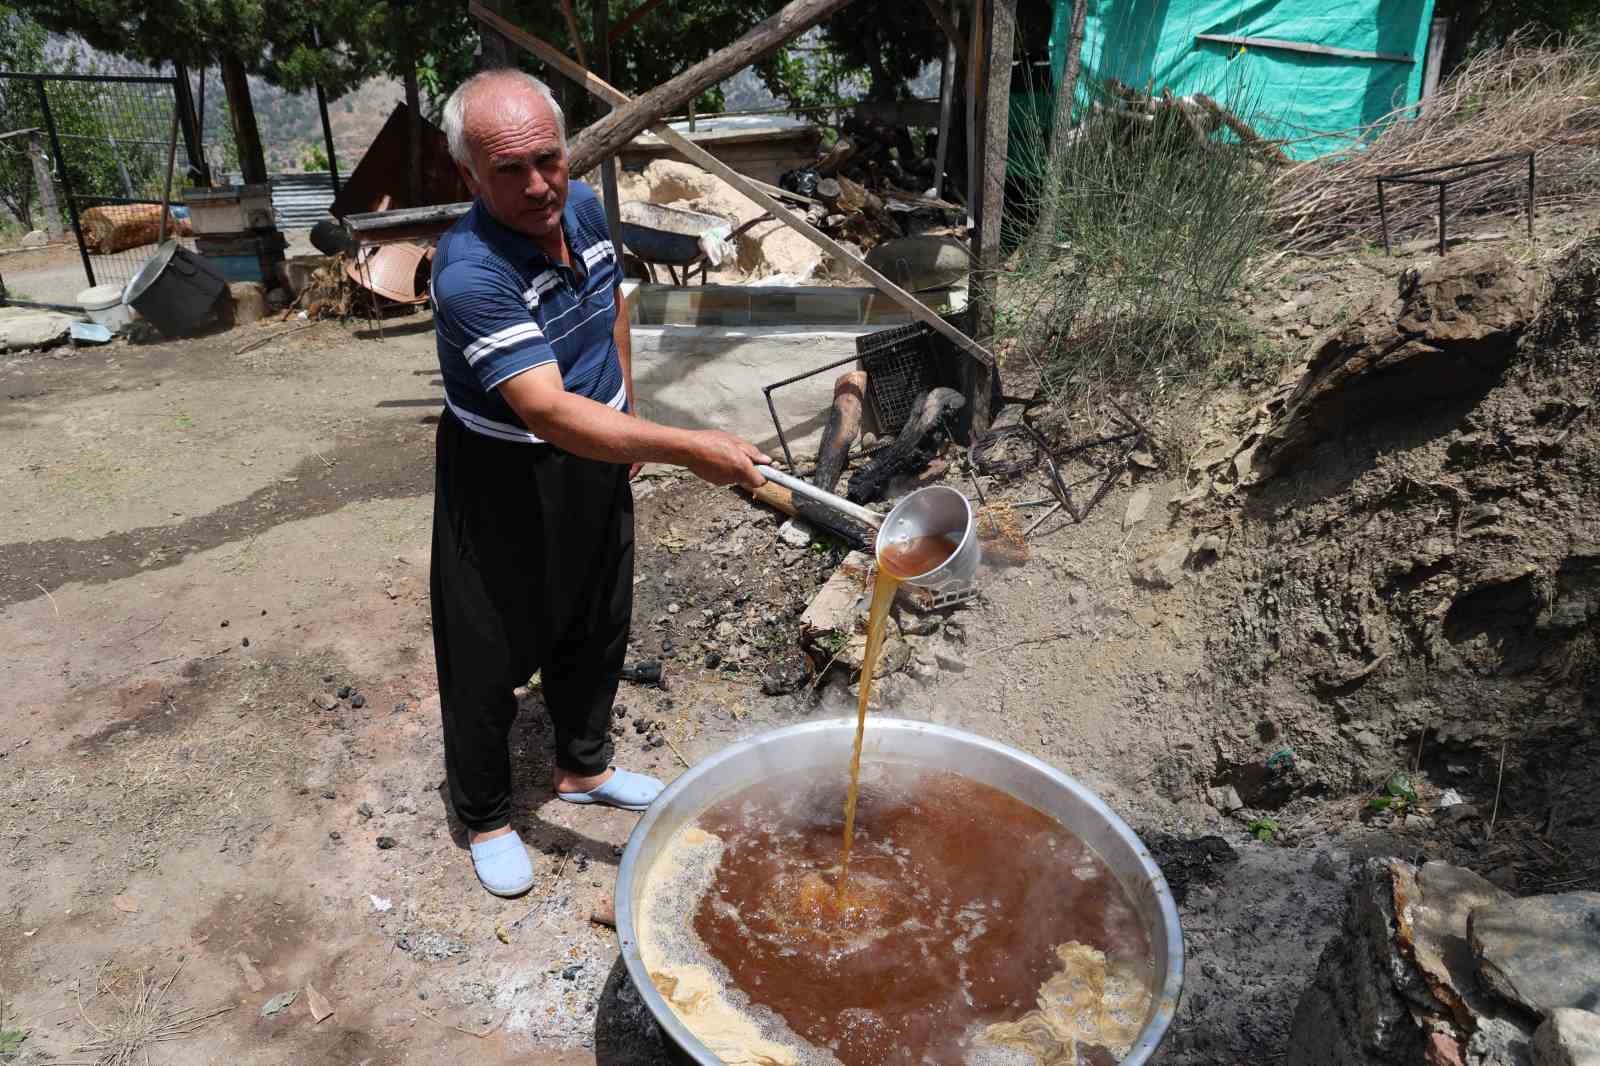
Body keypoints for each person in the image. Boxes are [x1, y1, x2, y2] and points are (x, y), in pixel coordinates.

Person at [431, 69, 769, 897]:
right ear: (469, 177)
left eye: (548, 158)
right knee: (486, 645)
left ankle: (583, 767)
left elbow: (614, 300)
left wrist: (626, 406)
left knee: (595, 607)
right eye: (508, 170)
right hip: (505, 465)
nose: (538, 184)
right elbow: (544, 410)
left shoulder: (578, 206)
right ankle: (485, 814)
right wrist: (687, 445)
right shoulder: (470, 272)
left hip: (594, 441)